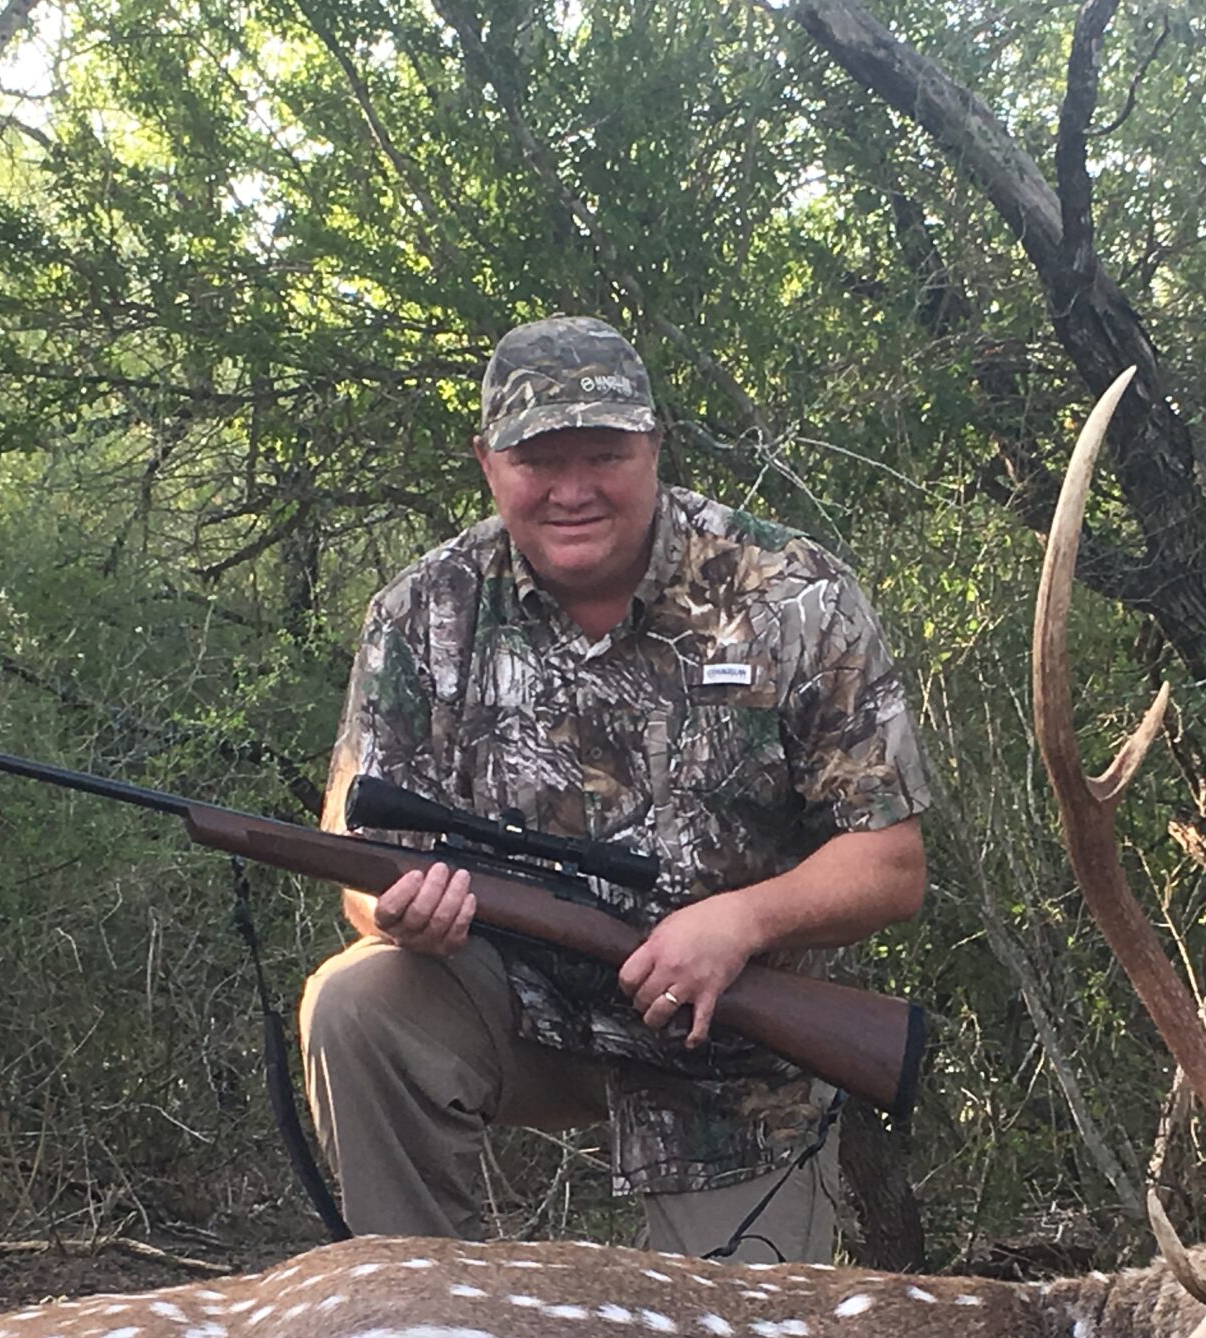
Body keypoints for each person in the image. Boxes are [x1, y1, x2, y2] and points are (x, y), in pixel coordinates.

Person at [300, 316, 931, 1261]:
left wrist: (740, 925)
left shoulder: (794, 593)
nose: (572, 490)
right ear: (486, 462)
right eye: (537, 460)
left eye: (603, 454)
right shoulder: (423, 609)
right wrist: (395, 913)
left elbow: (890, 865)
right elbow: (356, 853)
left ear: (653, 446)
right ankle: (420, 1325)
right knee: (355, 1004)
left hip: (734, 1050)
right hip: (515, 1003)